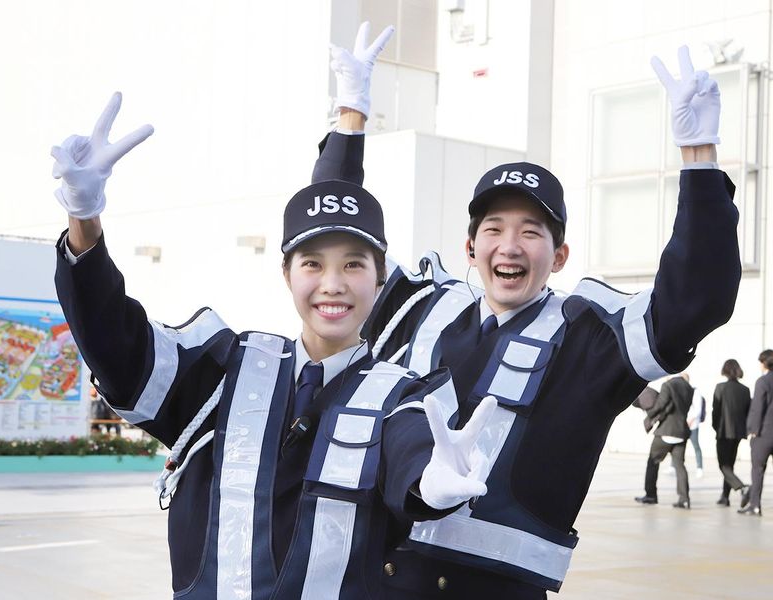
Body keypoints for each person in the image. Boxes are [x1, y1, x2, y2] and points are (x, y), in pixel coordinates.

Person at [50, 28, 500, 597]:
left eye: (353, 264)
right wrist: (84, 220)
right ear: (286, 274)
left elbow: (413, 450)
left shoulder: (401, 394)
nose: (332, 284)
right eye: (312, 263)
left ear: (380, 278)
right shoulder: (225, 369)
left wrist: (430, 483)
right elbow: (117, 345)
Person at [312, 45, 740, 598]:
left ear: (559, 257)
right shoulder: (418, 308)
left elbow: (696, 300)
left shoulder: (590, 336)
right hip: (376, 582)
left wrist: (699, 160)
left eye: (531, 232)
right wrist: (349, 121)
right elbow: (337, 236)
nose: (509, 246)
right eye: (493, 228)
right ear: (470, 247)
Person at [635, 373, 694, 508]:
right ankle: (684, 499)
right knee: (680, 466)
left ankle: (651, 495)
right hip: (682, 432)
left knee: (653, 461)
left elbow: (660, 405)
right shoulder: (689, 388)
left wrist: (650, 415)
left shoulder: (668, 385)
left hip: (666, 431)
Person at [712, 358, 751, 507]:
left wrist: (716, 427)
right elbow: (748, 412)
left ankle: (742, 487)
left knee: (723, 466)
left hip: (723, 431)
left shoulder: (720, 387)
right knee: (729, 465)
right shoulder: (745, 390)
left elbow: (716, 411)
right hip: (738, 432)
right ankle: (725, 496)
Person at [740, 349, 773, 516]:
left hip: (764, 434)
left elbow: (758, 407)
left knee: (758, 470)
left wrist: (753, 430)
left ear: (764, 363)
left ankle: (755, 505)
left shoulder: (762, 381)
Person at [687, 383, 706, 477]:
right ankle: (673, 466)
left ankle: (699, 468)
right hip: (683, 423)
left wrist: (691, 420)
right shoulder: (683, 390)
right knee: (678, 446)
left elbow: (697, 409)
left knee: (696, 446)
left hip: (692, 424)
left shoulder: (695, 392)